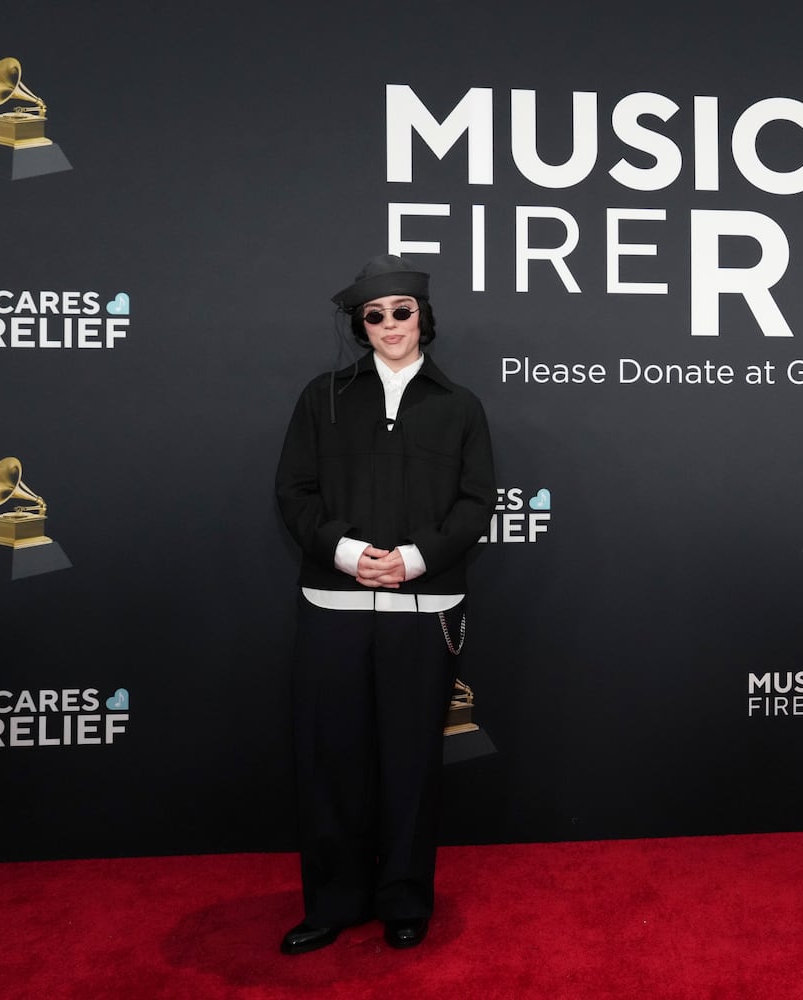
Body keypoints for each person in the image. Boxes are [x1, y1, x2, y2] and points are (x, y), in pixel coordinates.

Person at [274, 255, 494, 954]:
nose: (390, 325)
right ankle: (334, 901)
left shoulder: (460, 407)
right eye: (375, 315)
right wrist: (344, 552)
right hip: (333, 606)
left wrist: (416, 558)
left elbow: (475, 503)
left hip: (425, 611)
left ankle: (404, 897)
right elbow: (294, 492)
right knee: (331, 761)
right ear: (359, 324)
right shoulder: (323, 397)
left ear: (423, 317)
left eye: (402, 311)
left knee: (410, 762)